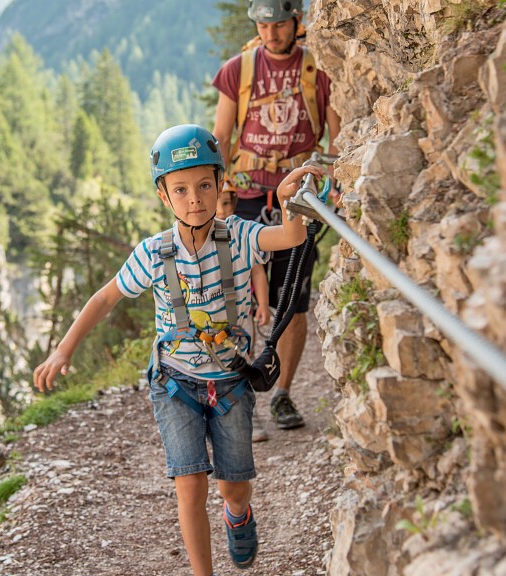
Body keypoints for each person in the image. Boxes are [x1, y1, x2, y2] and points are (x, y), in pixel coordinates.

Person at [33, 124, 319, 576]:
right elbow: (105, 298)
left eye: (205, 185)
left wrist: (288, 203)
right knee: (189, 485)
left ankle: (238, 514)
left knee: (232, 489)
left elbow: (290, 239)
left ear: (220, 184)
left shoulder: (240, 236)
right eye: (181, 189)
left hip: (230, 381)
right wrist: (63, 349)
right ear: (164, 196)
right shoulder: (153, 253)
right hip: (175, 382)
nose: (195, 199)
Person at [212, 0, 341, 431]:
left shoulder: (318, 70)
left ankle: (282, 392)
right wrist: (215, 191)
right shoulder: (238, 70)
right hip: (246, 198)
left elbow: (337, 137)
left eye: (279, 24)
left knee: (293, 301)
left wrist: (335, 184)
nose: (270, 33)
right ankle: (237, 395)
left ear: (296, 22)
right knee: (235, 298)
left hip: (298, 197)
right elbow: (222, 135)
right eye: (263, 25)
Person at [216, 187, 272, 443]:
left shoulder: (241, 234)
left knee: (244, 359)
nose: (222, 210)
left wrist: (263, 305)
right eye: (218, 204)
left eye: (227, 203)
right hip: (212, 318)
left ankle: (250, 414)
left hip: (242, 314)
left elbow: (258, 272)